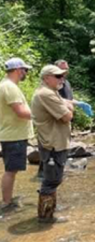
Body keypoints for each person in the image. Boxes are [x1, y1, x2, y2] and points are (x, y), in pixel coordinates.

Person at [31, 65, 73, 223]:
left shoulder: (50, 92)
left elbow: (65, 106)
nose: (61, 78)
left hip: (54, 142)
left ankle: (48, 214)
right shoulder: (46, 94)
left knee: (52, 180)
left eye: (62, 76)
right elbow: (67, 116)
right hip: (53, 143)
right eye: (57, 76)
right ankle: (45, 218)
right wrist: (69, 107)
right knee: (51, 181)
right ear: (46, 78)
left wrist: (67, 104)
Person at [0, 58, 34, 212]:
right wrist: (39, 115)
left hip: (11, 134)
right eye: (24, 70)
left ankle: (7, 199)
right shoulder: (9, 87)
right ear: (18, 70)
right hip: (13, 135)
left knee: (11, 170)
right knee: (10, 170)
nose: (25, 73)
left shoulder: (6, 85)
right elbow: (20, 112)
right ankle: (6, 202)